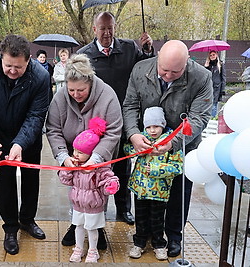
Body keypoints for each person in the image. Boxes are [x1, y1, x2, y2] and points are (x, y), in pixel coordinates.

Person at [123, 40, 213, 257]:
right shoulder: (140, 69)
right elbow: (130, 105)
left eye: (175, 72)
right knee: (146, 194)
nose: (167, 76)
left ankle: (173, 236)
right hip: (148, 144)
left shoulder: (201, 77)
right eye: (163, 70)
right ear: (158, 56)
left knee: (179, 192)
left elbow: (199, 117)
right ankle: (145, 235)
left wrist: (173, 141)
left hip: (183, 144)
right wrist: (134, 134)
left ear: (187, 63)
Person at [76, 11, 154, 229]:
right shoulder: (84, 55)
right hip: (96, 122)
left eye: (110, 28)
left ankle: (123, 208)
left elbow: (146, 67)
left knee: (122, 166)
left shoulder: (129, 48)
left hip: (123, 118)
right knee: (96, 167)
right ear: (94, 29)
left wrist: (148, 50)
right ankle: (95, 209)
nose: (107, 33)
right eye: (102, 28)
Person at [0, 34, 50, 255]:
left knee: (30, 180)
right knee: (6, 183)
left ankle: (27, 220)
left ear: (29, 61)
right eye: (8, 65)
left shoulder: (41, 76)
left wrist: (20, 143)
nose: (12, 71)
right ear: (1, 58)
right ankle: (10, 227)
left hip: (29, 137)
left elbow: (37, 115)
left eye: (18, 67)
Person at [46, 54, 123, 250]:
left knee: (98, 194)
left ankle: (98, 227)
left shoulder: (107, 95)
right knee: (76, 191)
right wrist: (63, 156)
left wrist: (96, 158)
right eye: (71, 89)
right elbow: (53, 129)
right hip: (74, 156)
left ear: (90, 83)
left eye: (81, 90)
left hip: (100, 157)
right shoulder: (60, 97)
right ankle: (76, 224)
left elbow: (114, 131)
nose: (76, 94)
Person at [124, 107, 183, 260]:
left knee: (157, 219)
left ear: (163, 124)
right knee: (141, 218)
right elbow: (126, 149)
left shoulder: (170, 142)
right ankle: (139, 243)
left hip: (160, 191)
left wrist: (156, 169)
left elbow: (178, 166)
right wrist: (137, 149)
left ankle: (159, 245)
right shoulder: (141, 138)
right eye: (148, 126)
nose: (152, 130)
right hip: (140, 189)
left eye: (156, 126)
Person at [59, 117, 120, 263]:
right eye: (74, 150)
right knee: (78, 226)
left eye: (80, 152)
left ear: (91, 153)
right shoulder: (76, 164)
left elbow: (108, 178)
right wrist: (68, 169)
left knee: (92, 228)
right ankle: (79, 248)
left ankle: (93, 250)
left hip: (94, 204)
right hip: (78, 203)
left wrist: (111, 185)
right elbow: (65, 180)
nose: (75, 154)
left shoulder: (100, 167)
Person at [204, 51, 226, 117]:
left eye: (213, 55)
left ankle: (212, 119)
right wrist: (206, 67)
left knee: (214, 104)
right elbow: (204, 76)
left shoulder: (220, 64)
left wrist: (222, 90)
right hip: (208, 87)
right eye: (210, 55)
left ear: (216, 55)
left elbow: (223, 78)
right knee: (207, 104)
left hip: (217, 88)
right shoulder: (208, 65)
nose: (212, 56)